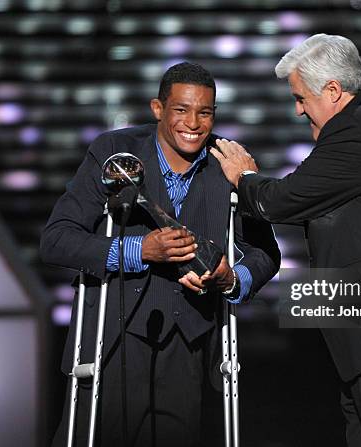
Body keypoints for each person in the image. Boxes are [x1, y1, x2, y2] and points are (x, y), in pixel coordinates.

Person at [212, 35, 361, 447]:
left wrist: (244, 177)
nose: (298, 109)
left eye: (301, 98)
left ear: (333, 91)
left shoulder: (357, 129)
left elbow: (283, 200)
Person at [41, 62, 280, 447]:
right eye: (181, 110)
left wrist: (230, 277)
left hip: (188, 346)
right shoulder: (114, 153)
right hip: (114, 339)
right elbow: (56, 240)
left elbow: (265, 253)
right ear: (158, 109)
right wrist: (140, 250)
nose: (194, 123)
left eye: (205, 112)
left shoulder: (227, 163)